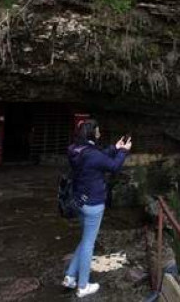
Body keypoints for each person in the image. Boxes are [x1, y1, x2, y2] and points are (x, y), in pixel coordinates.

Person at [62, 119, 131, 298]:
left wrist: (115, 148)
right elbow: (114, 166)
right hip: (93, 203)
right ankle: (83, 286)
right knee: (88, 244)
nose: (100, 132)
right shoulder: (92, 154)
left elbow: (98, 157)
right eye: (98, 130)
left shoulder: (76, 150)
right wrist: (123, 151)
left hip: (79, 201)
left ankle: (70, 277)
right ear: (93, 133)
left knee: (85, 240)